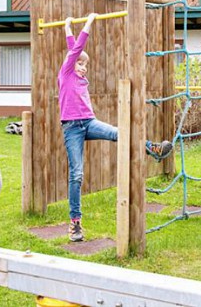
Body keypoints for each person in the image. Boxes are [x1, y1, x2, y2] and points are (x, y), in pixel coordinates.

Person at [59, 14, 173, 242]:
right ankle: (75, 224)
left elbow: (75, 49)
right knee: (77, 174)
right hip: (71, 128)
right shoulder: (67, 72)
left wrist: (68, 28)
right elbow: (75, 49)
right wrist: (88, 23)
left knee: (118, 133)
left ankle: (153, 149)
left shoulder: (79, 76)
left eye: (85, 65)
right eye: (80, 64)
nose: (83, 68)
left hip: (89, 122)